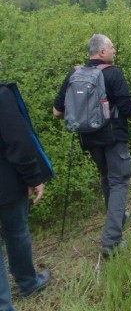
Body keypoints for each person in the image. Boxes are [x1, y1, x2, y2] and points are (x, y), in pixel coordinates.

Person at [53, 34, 131, 258]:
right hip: (114, 138)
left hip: (89, 138)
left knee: (107, 178)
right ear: (101, 52)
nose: (114, 49)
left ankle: (118, 217)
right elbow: (127, 110)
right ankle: (111, 242)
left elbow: (57, 112)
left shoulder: (74, 74)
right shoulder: (113, 74)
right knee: (119, 182)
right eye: (111, 47)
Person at [1, 85, 51, 310]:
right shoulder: (1, 94)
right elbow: (18, 141)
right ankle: (28, 284)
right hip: (6, 185)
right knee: (17, 232)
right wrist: (33, 176)